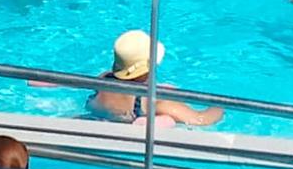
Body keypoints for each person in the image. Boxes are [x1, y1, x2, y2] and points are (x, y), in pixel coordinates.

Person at [87, 30, 224, 126]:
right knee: (166, 120)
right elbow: (201, 119)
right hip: (137, 124)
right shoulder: (155, 101)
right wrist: (220, 104)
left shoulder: (103, 80)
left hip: (102, 118)